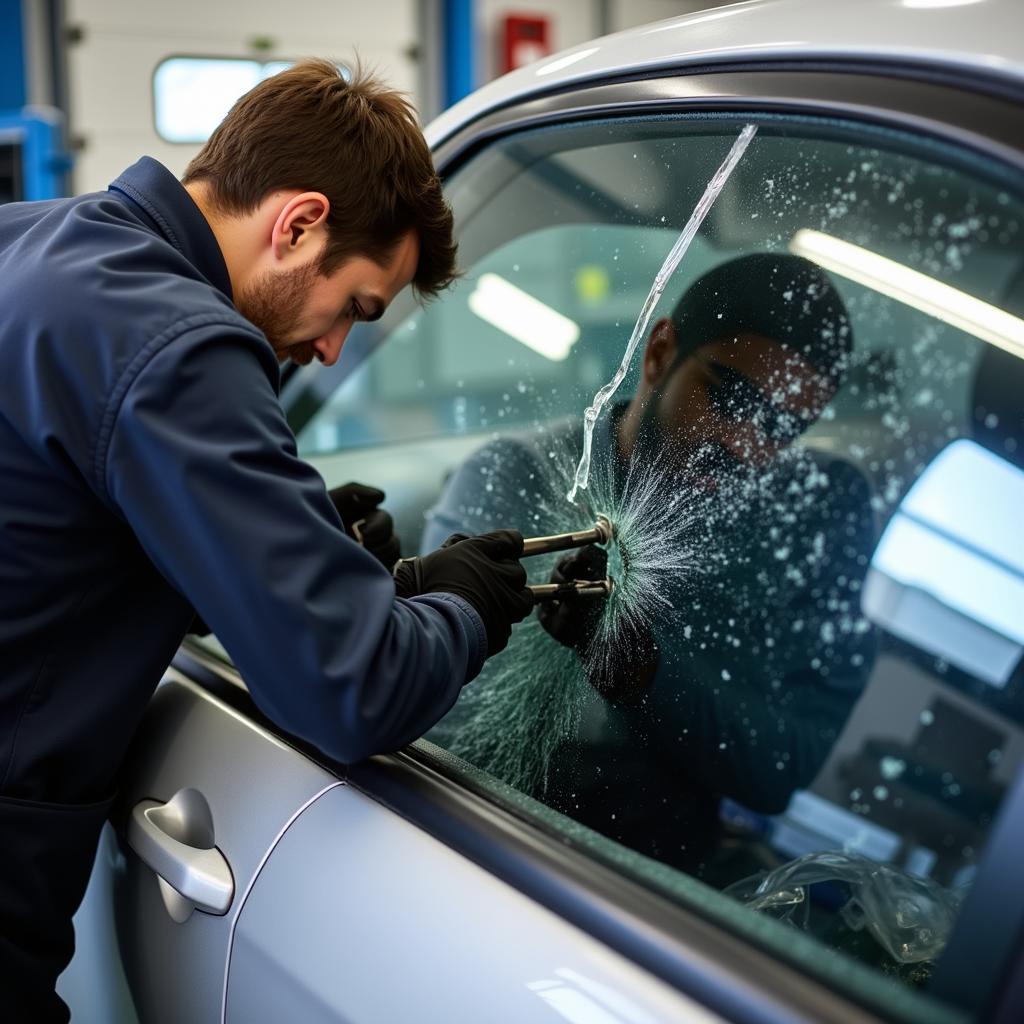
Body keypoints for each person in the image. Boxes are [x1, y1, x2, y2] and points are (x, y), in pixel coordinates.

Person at [0, 61, 533, 1021]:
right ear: (298, 224)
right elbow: (353, 686)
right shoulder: (177, 344)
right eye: (357, 309)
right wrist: (466, 605)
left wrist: (305, 543)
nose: (333, 351)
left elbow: (57, 521)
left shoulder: (42, 242)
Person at [424, 253, 878, 880]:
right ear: (660, 352)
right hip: (477, 861)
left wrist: (640, 672)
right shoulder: (518, 478)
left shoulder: (779, 549)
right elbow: (443, 722)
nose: (744, 445)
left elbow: (778, 767)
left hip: (655, 902)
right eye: (730, 399)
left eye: (780, 430)